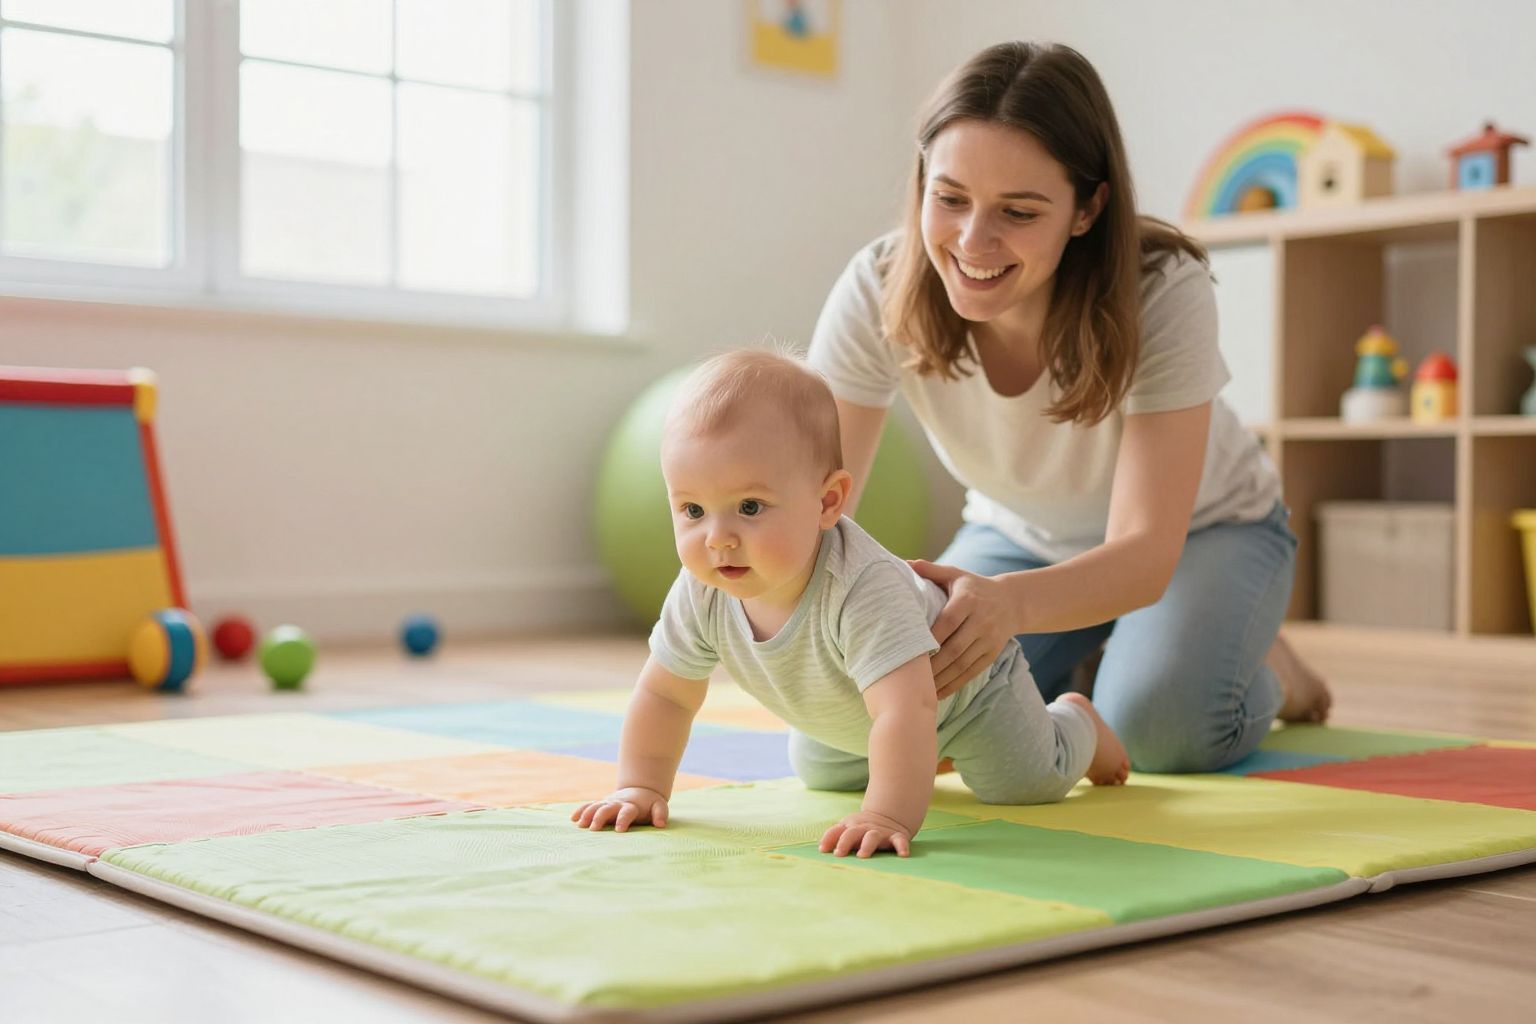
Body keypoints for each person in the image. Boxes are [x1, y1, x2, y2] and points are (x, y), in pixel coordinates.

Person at [806, 41, 1332, 775]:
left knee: (1160, 732)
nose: (972, 241)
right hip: (1019, 541)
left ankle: (1268, 672)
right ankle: (1110, 657)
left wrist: (1011, 611)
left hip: (1203, 538)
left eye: (1018, 212)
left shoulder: (1162, 287)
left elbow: (1146, 553)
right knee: (845, 746)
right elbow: (817, 505)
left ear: (1087, 208)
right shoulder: (879, 284)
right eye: (950, 198)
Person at [572, 350, 1128, 858]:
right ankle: (918, 761)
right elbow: (666, 694)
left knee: (1023, 785)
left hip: (967, 693)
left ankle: (1074, 722)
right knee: (819, 770)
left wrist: (886, 814)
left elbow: (904, 710)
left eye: (749, 506)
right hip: (857, 715)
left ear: (828, 501)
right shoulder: (702, 589)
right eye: (692, 511)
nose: (717, 538)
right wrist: (640, 787)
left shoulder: (862, 587)